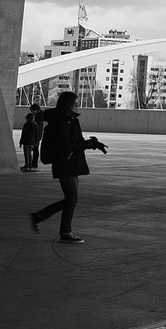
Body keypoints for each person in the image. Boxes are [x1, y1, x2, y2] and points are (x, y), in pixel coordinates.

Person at [29, 92, 107, 243]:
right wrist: (89, 144)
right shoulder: (60, 121)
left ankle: (40, 217)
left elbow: (77, 141)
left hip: (72, 163)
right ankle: (64, 232)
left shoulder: (71, 120)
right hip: (64, 163)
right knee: (72, 199)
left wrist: (93, 144)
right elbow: (67, 145)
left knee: (71, 199)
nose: (77, 105)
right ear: (67, 104)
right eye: (74, 103)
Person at [29, 103, 44, 169]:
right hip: (37, 135)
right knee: (35, 149)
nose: (31, 112)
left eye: (32, 110)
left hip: (36, 135)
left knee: (35, 149)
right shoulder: (39, 115)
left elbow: (37, 127)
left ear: (36, 110)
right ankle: (33, 163)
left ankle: (34, 164)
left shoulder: (38, 117)